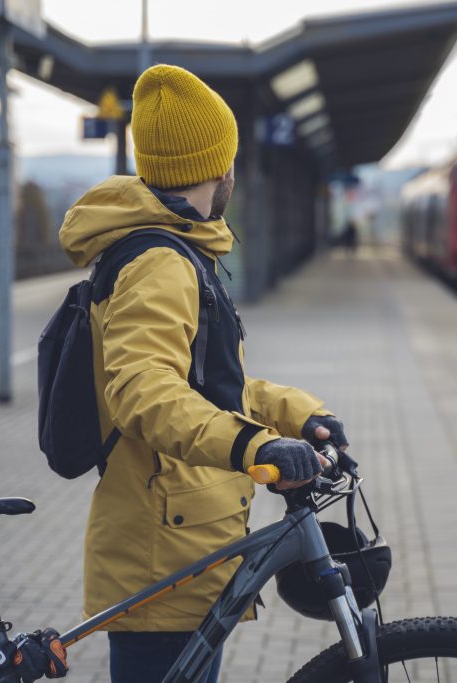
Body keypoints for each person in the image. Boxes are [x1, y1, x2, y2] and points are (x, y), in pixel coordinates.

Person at [57, 64, 348, 683]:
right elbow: (145, 393)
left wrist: (298, 415)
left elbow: (210, 389)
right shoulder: (161, 261)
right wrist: (256, 444)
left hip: (185, 541)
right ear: (222, 166)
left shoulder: (176, 251)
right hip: (162, 555)